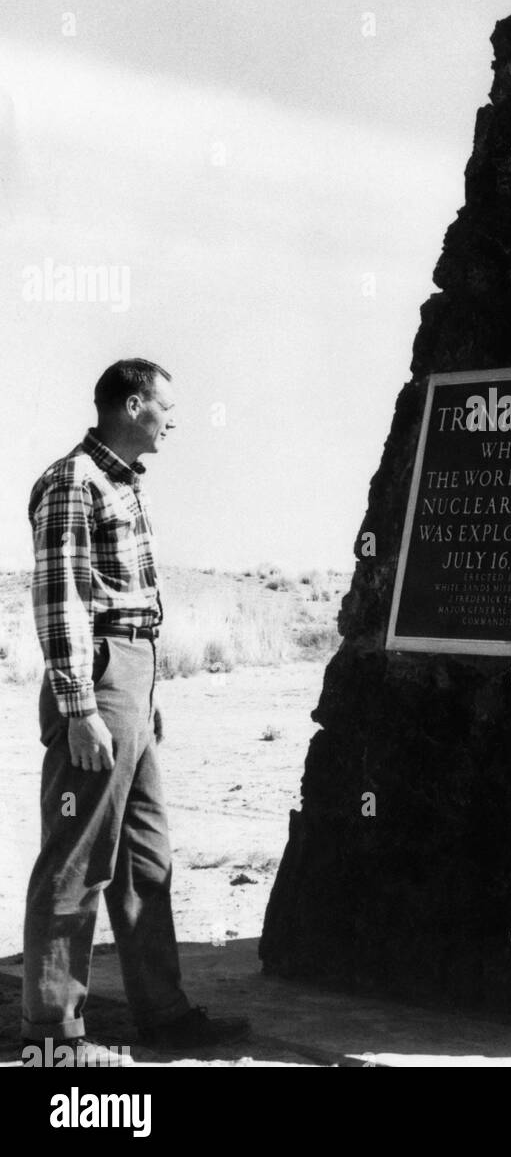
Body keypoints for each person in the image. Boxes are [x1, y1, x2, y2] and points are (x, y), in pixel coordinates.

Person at [22, 358, 249, 1063]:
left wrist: (146, 700)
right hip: (99, 678)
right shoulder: (73, 483)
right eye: (164, 406)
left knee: (145, 858)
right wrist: (81, 706)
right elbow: (61, 602)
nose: (172, 420)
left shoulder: (124, 482)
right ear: (129, 405)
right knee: (78, 857)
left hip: (136, 678)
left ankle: (165, 1014)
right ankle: (54, 1035)